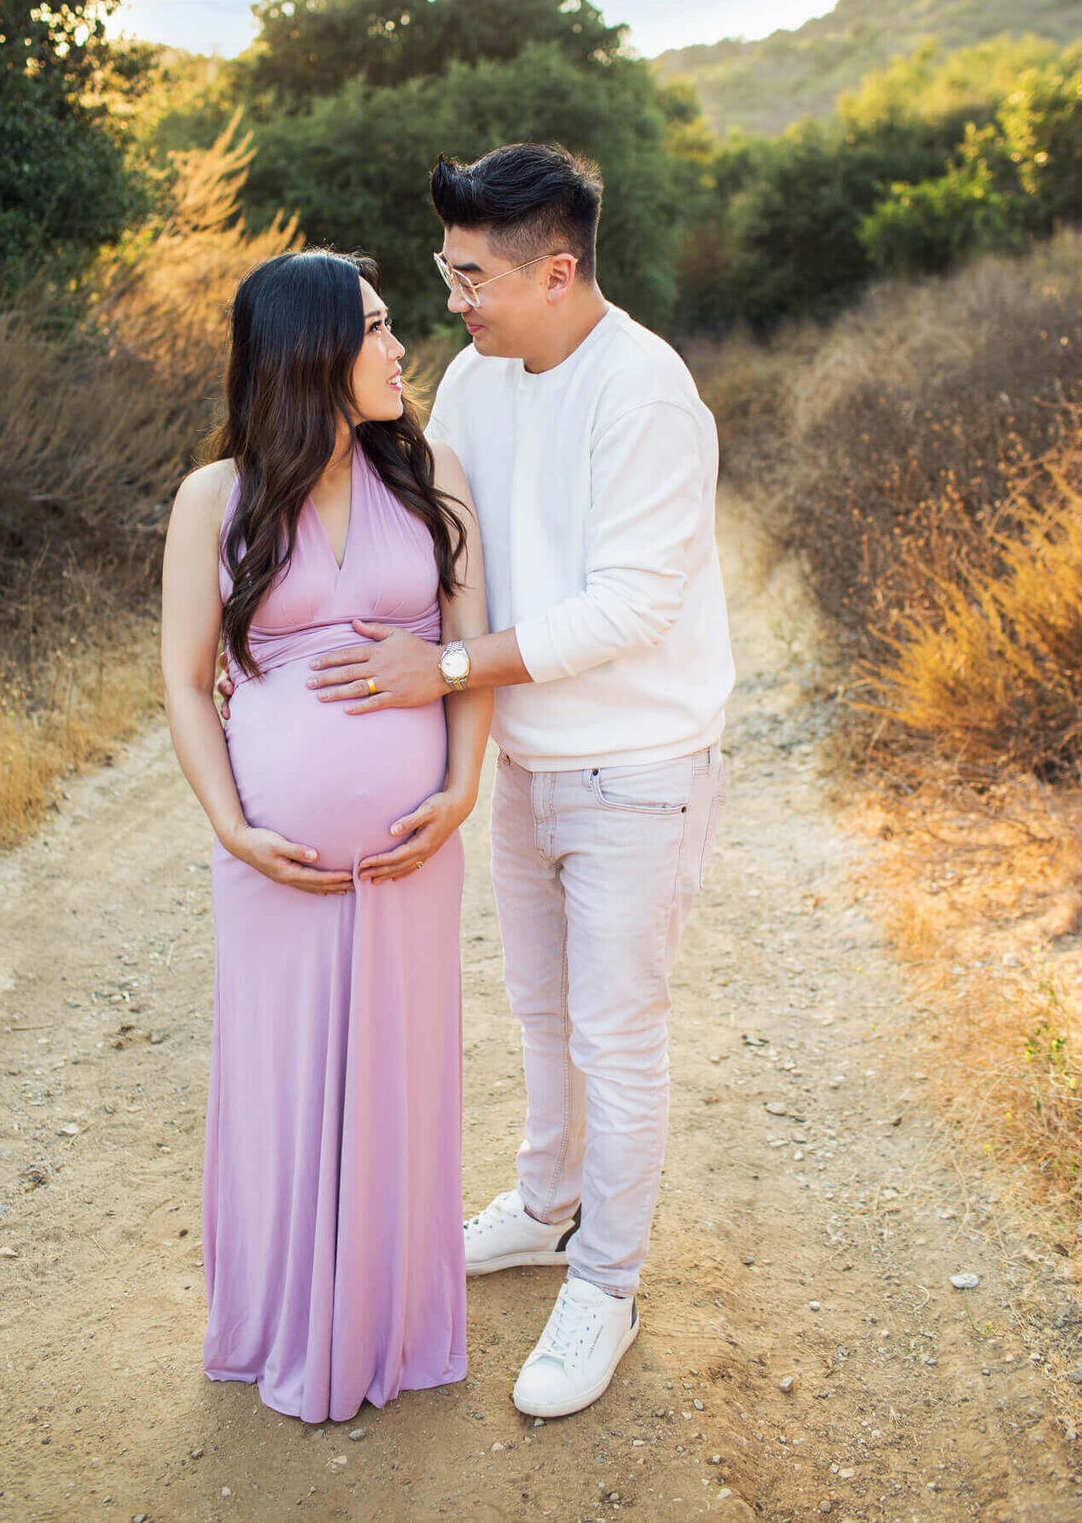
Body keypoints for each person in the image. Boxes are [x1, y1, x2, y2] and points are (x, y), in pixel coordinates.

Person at [307, 143, 735, 1419]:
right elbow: (424, 526)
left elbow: (628, 610)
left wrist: (440, 671)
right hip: (534, 766)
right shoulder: (482, 381)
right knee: (541, 1014)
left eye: (471, 276)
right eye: (444, 274)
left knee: (616, 1032)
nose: (454, 301)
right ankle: (549, 1207)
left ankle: (607, 1277)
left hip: (641, 770)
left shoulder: (647, 394)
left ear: (558, 271)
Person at [160, 249, 491, 1424]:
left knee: (403, 1077)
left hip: (412, 851)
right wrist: (234, 827)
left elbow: (469, 650)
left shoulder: (430, 472)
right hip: (277, 869)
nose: (402, 349)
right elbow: (187, 684)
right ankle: (286, 1323)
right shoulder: (216, 497)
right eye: (379, 329)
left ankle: (392, 1326)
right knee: (284, 1084)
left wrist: (459, 795)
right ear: (310, 354)